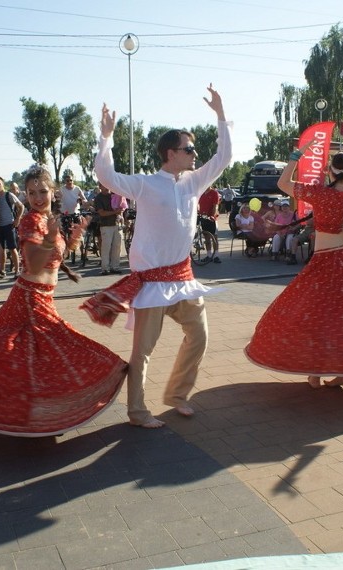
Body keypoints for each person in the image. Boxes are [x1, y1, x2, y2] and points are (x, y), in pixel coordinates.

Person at [0, 165, 126, 435]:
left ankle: (37, 414)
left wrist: (74, 237)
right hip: (29, 299)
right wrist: (49, 239)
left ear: (53, 191)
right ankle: (26, 413)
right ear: (25, 194)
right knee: (56, 351)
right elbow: (35, 265)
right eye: (32, 192)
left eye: (43, 191)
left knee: (32, 358)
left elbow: (55, 257)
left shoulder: (49, 219)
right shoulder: (30, 221)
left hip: (42, 299)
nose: (37, 197)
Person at [82, 85, 232, 428]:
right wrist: (105, 138)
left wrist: (221, 115)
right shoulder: (145, 184)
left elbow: (223, 158)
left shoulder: (193, 182)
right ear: (170, 153)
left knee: (200, 336)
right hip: (151, 284)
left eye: (194, 148)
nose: (195, 153)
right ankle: (137, 411)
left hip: (183, 281)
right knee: (142, 352)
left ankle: (178, 394)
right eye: (188, 148)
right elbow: (106, 176)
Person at [245, 140, 343, 389]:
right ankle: (338, 370)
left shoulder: (319, 193)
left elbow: (282, 184)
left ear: (329, 171)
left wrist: (297, 155)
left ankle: (318, 368)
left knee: (315, 312)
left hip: (326, 262)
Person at [0, 176, 24, 279]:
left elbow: (21, 206)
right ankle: (2, 270)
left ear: (3, 184)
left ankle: (17, 271)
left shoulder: (8, 195)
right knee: (1, 250)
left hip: (9, 225)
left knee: (12, 248)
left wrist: (17, 219)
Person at [93, 181, 124, 275]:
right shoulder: (98, 198)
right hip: (106, 225)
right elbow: (102, 213)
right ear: (100, 186)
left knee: (117, 247)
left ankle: (115, 266)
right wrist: (115, 212)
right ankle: (105, 268)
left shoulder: (114, 195)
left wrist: (121, 212)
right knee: (106, 247)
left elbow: (120, 207)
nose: (106, 187)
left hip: (117, 224)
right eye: (104, 185)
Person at [198, 185, 221, 263]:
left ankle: (216, 256)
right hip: (203, 217)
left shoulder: (214, 193)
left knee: (214, 237)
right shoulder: (201, 193)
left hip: (212, 218)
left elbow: (216, 206)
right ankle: (209, 255)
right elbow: (198, 205)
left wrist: (212, 216)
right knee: (207, 238)